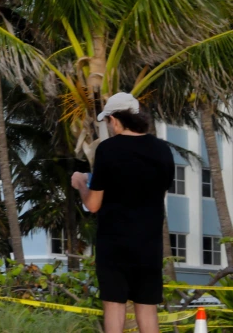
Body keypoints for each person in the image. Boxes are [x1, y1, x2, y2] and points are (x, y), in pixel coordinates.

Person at [71, 92, 174, 333]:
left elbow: (93, 205)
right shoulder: (163, 150)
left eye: (108, 121)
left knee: (114, 305)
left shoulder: (109, 149)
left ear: (115, 119)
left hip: (115, 242)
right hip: (150, 243)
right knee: (147, 307)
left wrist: (81, 184)